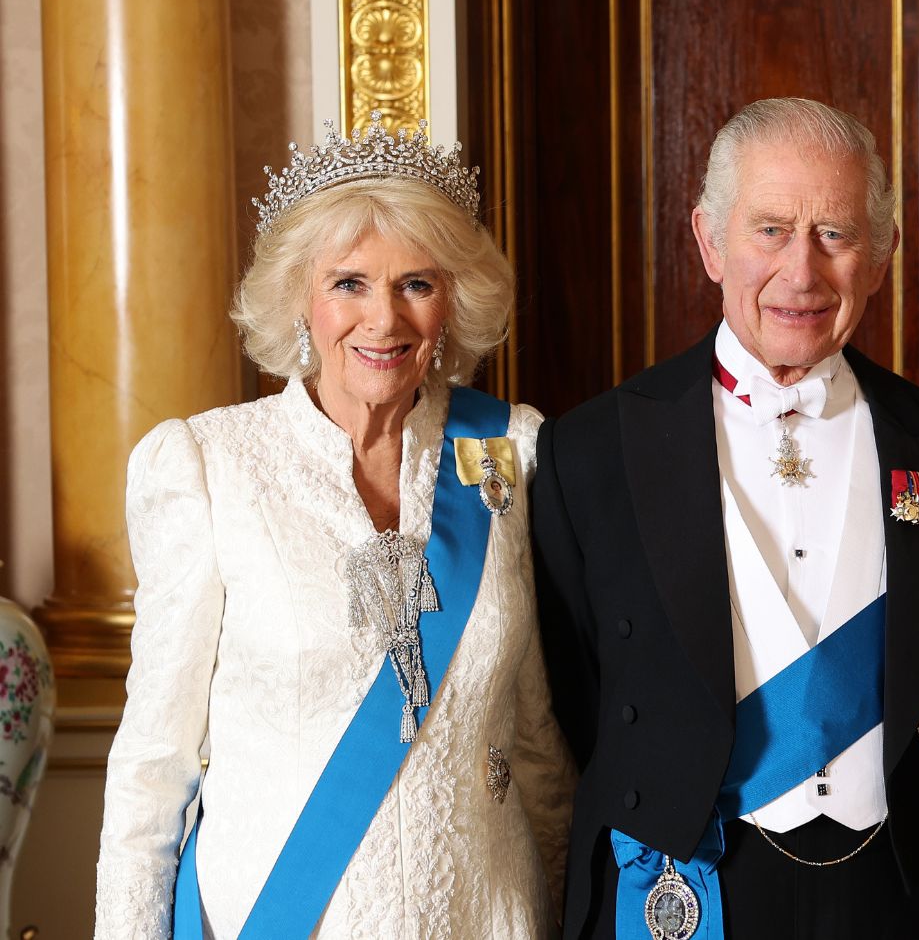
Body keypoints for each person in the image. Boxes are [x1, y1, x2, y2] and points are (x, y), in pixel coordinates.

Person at [532, 97, 919, 939]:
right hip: (682, 888)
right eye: (771, 230)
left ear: (885, 252)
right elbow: (578, 695)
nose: (802, 274)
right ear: (709, 240)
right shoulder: (591, 450)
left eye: (836, 233)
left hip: (899, 898)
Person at [95, 113, 574, 938]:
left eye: (415, 283)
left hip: (487, 915)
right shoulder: (210, 468)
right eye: (350, 282)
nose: (383, 321)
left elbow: (538, 745)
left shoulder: (511, 452)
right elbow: (153, 768)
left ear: (453, 301)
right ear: (299, 301)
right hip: (283, 915)